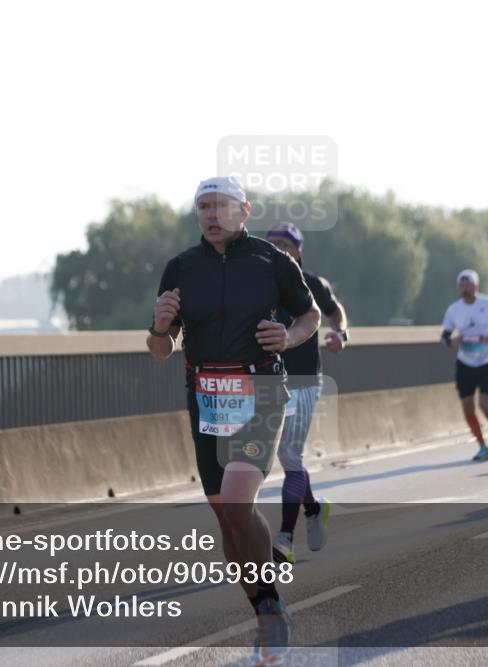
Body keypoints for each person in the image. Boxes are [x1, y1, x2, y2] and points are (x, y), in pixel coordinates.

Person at [147, 176, 320, 665]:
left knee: (241, 501)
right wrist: (160, 327)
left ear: (244, 210)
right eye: (203, 206)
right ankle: (261, 605)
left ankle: (270, 603)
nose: (210, 213)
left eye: (220, 205)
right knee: (226, 515)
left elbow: (310, 316)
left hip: (261, 390)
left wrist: (288, 336)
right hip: (205, 397)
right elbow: (160, 350)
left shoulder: (272, 260)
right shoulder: (180, 268)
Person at [264, 223, 348, 565]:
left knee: (288, 454)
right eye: (271, 245)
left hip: (304, 382)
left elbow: (334, 311)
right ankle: (313, 508)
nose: (277, 250)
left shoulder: (312, 284)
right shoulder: (257, 283)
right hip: (265, 381)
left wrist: (340, 333)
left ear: (298, 251)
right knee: (277, 457)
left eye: (284, 244)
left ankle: (284, 537)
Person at [440, 270, 488, 462]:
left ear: (476, 286)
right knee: (468, 407)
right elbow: (444, 337)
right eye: (461, 285)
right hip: (466, 362)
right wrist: (453, 341)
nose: (464, 288)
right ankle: (482, 447)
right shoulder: (453, 310)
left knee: (485, 404)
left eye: (468, 284)